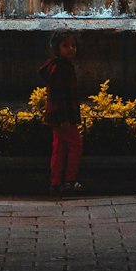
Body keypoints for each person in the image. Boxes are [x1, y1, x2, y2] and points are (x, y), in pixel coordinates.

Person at [39, 30, 84, 194]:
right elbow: (59, 95)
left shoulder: (60, 67)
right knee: (76, 144)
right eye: (66, 46)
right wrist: (65, 118)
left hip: (57, 115)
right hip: (63, 116)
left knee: (60, 148)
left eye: (73, 45)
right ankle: (69, 181)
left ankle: (56, 182)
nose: (71, 49)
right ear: (57, 48)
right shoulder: (61, 69)